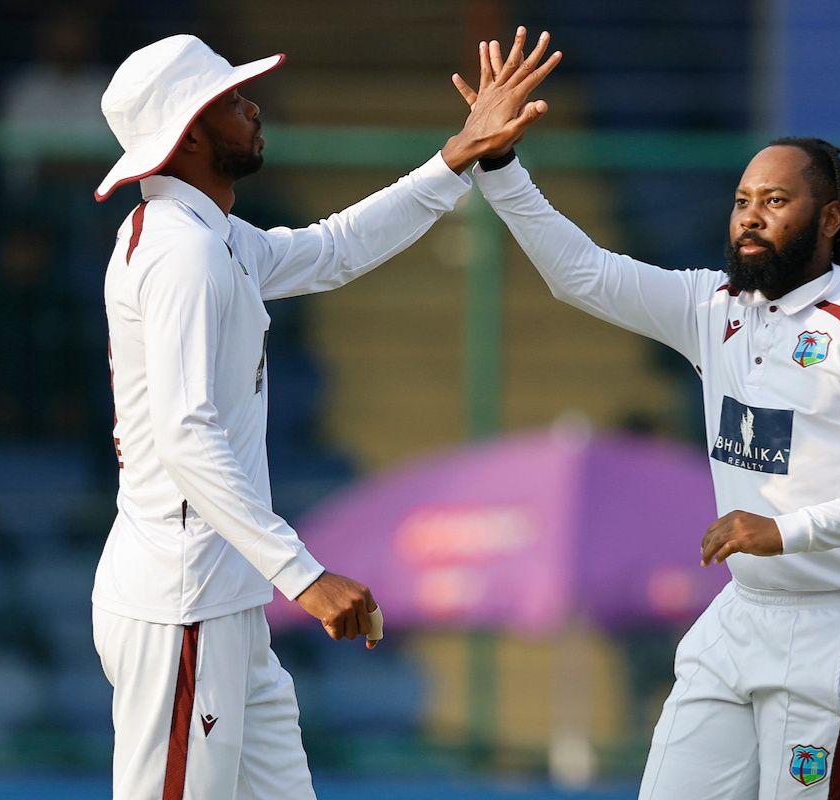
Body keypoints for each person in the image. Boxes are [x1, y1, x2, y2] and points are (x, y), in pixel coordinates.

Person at [452, 45, 840, 799]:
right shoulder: (712, 308)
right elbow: (581, 274)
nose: (751, 217)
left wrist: (786, 530)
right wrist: (500, 170)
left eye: (776, 202)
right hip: (740, 614)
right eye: (742, 199)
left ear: (831, 217)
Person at [92, 31, 559, 799]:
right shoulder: (185, 252)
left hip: (223, 604)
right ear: (191, 133)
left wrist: (458, 156)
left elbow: (331, 249)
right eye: (233, 101)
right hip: (183, 608)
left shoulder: (210, 236)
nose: (254, 110)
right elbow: (185, 437)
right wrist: (305, 579)